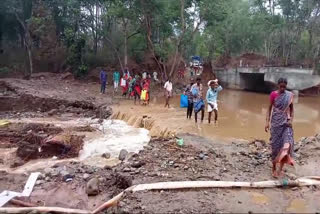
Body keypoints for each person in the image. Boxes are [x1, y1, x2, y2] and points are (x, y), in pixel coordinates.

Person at [265, 77, 295, 178]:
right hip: (275, 123)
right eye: (281, 86)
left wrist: (290, 120)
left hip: (286, 123)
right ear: (278, 85)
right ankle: (273, 167)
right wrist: (267, 122)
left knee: (286, 145)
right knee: (275, 146)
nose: (282, 88)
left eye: (284, 86)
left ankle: (281, 169)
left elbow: (292, 110)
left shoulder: (289, 95)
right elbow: (269, 108)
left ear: (286, 86)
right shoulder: (273, 94)